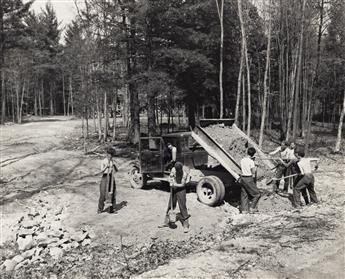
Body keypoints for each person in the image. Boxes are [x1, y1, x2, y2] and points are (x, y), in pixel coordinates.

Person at [159, 162, 190, 232]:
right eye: (176, 170)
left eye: (178, 170)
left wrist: (174, 184)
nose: (177, 171)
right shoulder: (173, 169)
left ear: (181, 169)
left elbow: (182, 184)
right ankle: (166, 222)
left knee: (182, 206)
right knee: (170, 205)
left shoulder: (184, 173)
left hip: (181, 190)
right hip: (174, 188)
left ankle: (186, 225)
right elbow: (171, 176)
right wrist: (170, 179)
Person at [240, 147, 261, 213]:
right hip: (248, 178)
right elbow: (253, 172)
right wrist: (256, 165)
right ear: (253, 154)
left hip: (242, 177)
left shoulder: (242, 160)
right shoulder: (251, 162)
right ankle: (252, 208)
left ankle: (244, 210)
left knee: (244, 194)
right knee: (257, 194)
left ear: (247, 152)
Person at [98, 147, 118, 214]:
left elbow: (117, 171)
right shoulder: (104, 161)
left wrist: (114, 166)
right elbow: (101, 171)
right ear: (107, 154)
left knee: (113, 192)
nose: (111, 156)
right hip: (105, 177)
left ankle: (113, 209)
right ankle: (100, 208)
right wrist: (106, 167)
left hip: (111, 177)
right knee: (103, 193)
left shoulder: (112, 161)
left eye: (112, 155)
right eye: (110, 154)